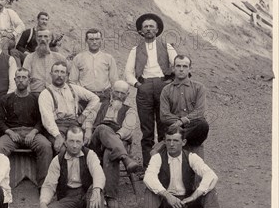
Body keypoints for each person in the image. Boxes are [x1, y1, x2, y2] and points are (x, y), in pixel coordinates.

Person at [137, 127, 230, 208]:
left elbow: (211, 175)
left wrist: (194, 196)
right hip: (167, 206)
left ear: (183, 142)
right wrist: (167, 195)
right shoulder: (157, 158)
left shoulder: (191, 157)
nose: (171, 144)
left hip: (188, 204)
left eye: (175, 141)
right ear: (164, 141)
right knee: (150, 189)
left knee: (210, 189)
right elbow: (149, 177)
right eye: (168, 140)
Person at [125, 13, 178, 168]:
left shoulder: (166, 46)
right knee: (147, 130)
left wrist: (171, 82)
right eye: (145, 27)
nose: (148, 29)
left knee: (164, 126)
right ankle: (149, 167)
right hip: (144, 88)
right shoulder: (135, 50)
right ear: (141, 31)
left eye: (151, 26)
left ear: (157, 30)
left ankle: (164, 165)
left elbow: (177, 64)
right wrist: (137, 85)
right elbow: (128, 72)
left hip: (163, 87)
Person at [38, 126, 105, 208]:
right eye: (71, 141)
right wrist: (43, 204)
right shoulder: (57, 160)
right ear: (65, 141)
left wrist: (97, 189)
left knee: (97, 191)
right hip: (69, 198)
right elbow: (49, 185)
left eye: (78, 141)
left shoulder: (90, 155)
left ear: (83, 142)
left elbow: (98, 172)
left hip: (87, 195)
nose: (74, 145)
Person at [0, 68, 53, 187]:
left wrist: (33, 132)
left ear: (29, 80)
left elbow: (42, 120)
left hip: (32, 133)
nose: (21, 80)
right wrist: (10, 132)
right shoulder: (5, 99)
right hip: (12, 133)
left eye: (24, 77)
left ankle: (44, 186)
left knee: (46, 146)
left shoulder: (36, 99)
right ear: (14, 80)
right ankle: (0, 185)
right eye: (18, 77)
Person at [88, 80, 140, 208]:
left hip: (116, 140)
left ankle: (111, 196)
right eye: (116, 91)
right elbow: (88, 120)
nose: (119, 95)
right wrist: (88, 131)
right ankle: (125, 158)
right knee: (101, 128)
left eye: (122, 93)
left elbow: (127, 129)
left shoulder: (130, 111)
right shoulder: (99, 105)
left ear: (127, 95)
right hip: (96, 142)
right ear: (111, 92)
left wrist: (114, 139)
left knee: (110, 152)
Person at [38, 61, 100, 153]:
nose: (59, 75)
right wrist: (58, 136)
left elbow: (95, 98)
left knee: (85, 149)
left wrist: (83, 115)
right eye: (56, 71)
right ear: (51, 74)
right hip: (56, 128)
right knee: (63, 150)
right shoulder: (45, 94)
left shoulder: (73, 88)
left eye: (62, 72)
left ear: (67, 75)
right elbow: (48, 120)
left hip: (74, 125)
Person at [159, 55, 209, 157]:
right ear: (173, 68)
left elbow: (200, 111)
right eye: (178, 66)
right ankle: (175, 141)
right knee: (171, 128)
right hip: (175, 128)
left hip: (194, 130)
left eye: (185, 66)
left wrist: (182, 121)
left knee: (203, 125)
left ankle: (166, 144)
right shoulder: (166, 90)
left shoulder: (199, 88)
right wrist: (179, 122)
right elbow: (164, 116)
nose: (181, 69)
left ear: (190, 69)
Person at [69, 28, 118, 103]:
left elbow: (114, 80)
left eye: (97, 39)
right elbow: (73, 81)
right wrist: (76, 99)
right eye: (91, 39)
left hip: (104, 97)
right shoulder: (78, 58)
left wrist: (113, 98)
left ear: (101, 40)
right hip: (85, 97)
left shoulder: (109, 58)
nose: (94, 42)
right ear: (86, 40)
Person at [22, 29, 67, 93]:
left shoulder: (59, 58)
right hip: (35, 93)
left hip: (54, 93)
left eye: (46, 36)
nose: (43, 39)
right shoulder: (29, 58)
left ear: (50, 39)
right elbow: (25, 78)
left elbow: (68, 77)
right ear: (36, 39)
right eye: (40, 36)